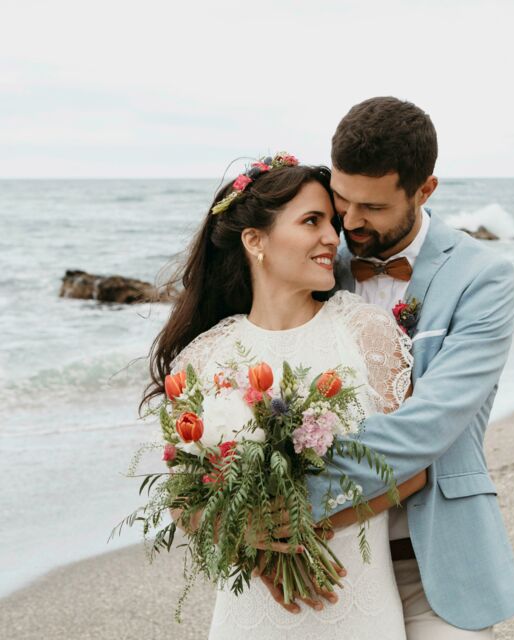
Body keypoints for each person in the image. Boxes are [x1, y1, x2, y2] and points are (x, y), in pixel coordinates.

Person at [144, 156, 426, 639]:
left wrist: (304, 529)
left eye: (332, 223)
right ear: (255, 240)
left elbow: (412, 470)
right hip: (252, 613)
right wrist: (248, 540)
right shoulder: (203, 358)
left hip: (357, 605)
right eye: (311, 222)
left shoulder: (367, 332)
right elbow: (181, 498)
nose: (332, 238)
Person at [285, 97, 514, 638]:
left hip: (434, 564)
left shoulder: (483, 278)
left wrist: (295, 496)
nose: (348, 222)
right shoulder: (315, 262)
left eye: (371, 207)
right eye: (341, 198)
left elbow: (431, 423)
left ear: (424, 190)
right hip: (324, 562)